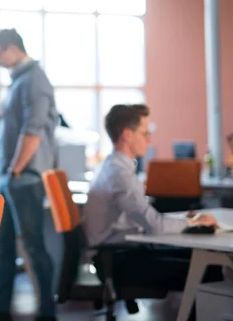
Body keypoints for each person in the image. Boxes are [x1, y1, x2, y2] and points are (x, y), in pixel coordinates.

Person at [0, 29, 58, 321]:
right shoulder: (20, 81)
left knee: (33, 245)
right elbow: (19, 124)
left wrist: (16, 169)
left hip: (23, 176)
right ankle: (1, 307)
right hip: (11, 176)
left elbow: (33, 131)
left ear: (12, 48)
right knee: (3, 243)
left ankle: (47, 308)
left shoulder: (34, 80)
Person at [82, 104, 221, 291]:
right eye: (145, 133)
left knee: (198, 256)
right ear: (127, 135)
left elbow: (146, 219)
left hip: (119, 253)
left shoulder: (112, 166)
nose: (149, 140)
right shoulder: (120, 175)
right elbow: (154, 225)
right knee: (209, 269)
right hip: (118, 261)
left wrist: (185, 220)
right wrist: (193, 223)